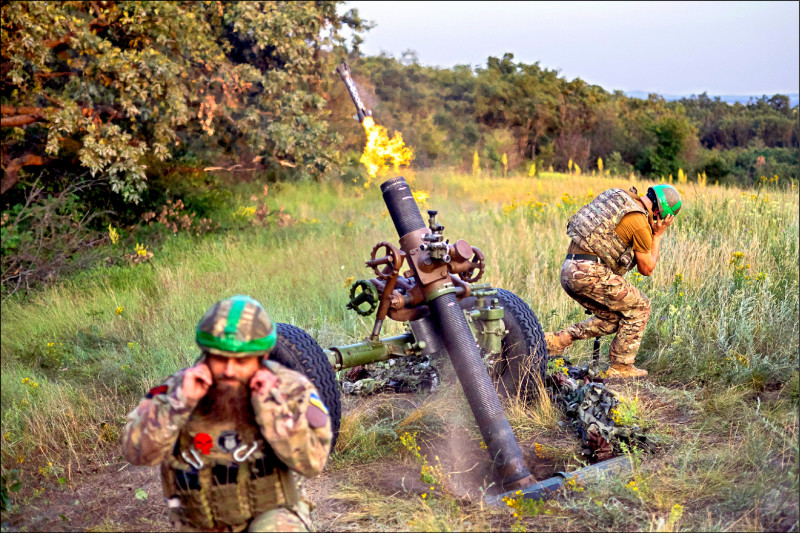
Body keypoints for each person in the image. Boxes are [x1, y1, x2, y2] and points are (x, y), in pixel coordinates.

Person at [122, 295, 332, 532]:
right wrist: (178, 404)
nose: (230, 371)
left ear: (262, 357)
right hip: (200, 522)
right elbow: (136, 454)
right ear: (206, 354)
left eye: (241, 361)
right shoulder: (177, 390)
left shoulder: (289, 388)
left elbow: (313, 463)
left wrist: (271, 411)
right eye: (220, 359)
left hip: (273, 515)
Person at [544, 184, 681, 378]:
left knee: (613, 319)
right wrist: (658, 234)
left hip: (569, 269)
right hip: (589, 271)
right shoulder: (640, 222)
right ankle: (621, 367)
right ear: (659, 212)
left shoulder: (620, 196)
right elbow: (647, 268)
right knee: (641, 306)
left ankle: (557, 341)